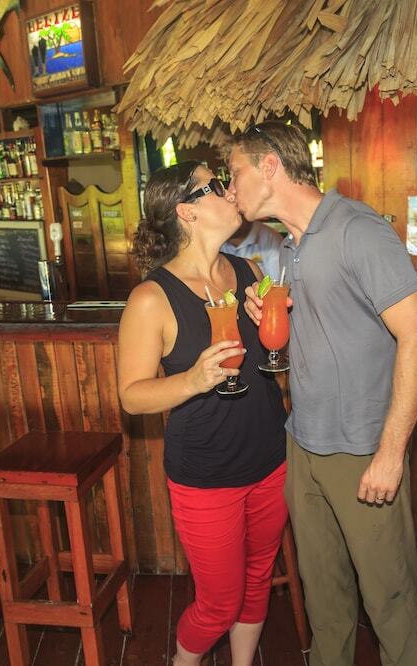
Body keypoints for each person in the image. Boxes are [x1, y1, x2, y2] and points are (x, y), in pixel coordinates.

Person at [228, 122, 417, 666]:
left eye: (234, 173)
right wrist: (267, 313)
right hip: (304, 443)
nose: (231, 189)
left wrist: (390, 454)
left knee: (389, 602)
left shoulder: (357, 230)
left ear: (270, 167)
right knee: (324, 600)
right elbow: (325, 329)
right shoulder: (289, 246)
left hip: (362, 449)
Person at [117, 161, 288, 666]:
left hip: (271, 458)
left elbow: (271, 359)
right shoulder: (151, 298)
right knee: (218, 604)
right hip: (206, 474)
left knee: (258, 579)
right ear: (186, 212)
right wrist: (193, 380)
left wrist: (281, 327)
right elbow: (131, 396)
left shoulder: (250, 272)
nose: (229, 190)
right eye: (215, 186)